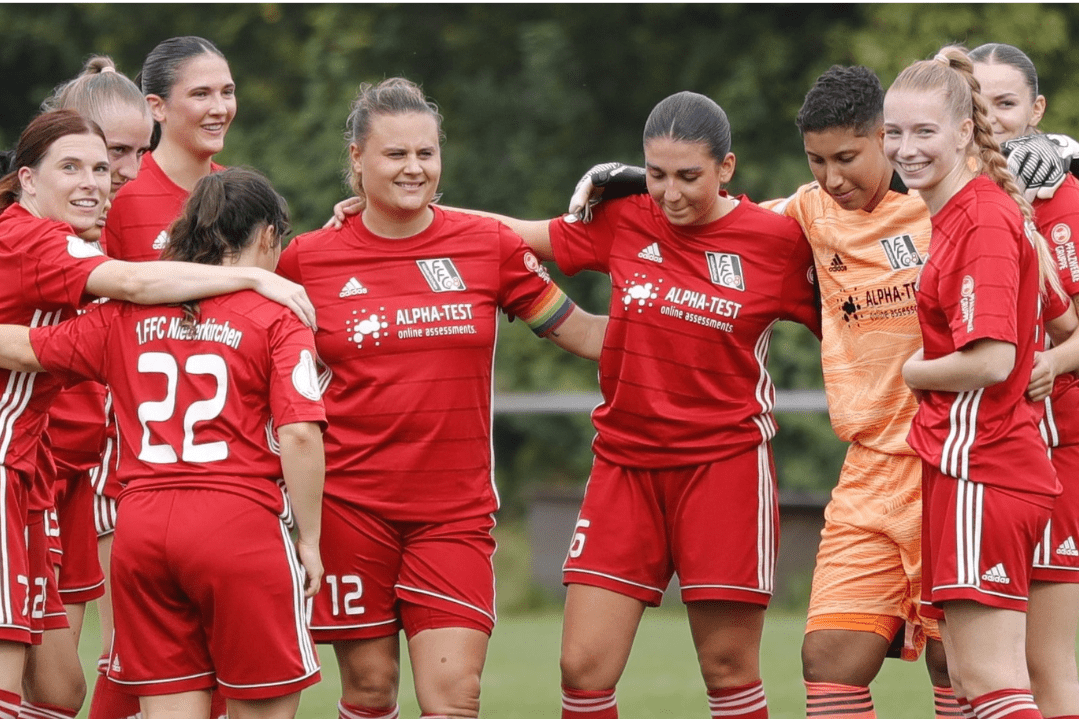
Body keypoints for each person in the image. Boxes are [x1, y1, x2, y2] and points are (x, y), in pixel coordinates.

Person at [451, 89, 820, 719]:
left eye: (688, 176)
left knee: (728, 670)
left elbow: (855, 323)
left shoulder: (777, 242)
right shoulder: (625, 217)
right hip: (624, 467)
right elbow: (512, 235)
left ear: (726, 167)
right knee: (583, 668)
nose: (670, 193)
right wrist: (411, 211)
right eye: (656, 175)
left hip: (724, 469)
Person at [277, 77, 607, 719]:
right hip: (349, 508)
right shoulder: (306, 261)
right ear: (357, 159)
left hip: (453, 515)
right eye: (395, 154)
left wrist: (686, 317)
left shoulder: (488, 245)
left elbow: (585, 334)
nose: (414, 168)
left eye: (426, 153)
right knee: (369, 691)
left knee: (454, 695)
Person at [0, 108, 313, 719]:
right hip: (236, 519)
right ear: (28, 178)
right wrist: (256, 281)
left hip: (119, 513)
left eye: (104, 167)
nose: (98, 181)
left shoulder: (115, 317)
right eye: (73, 167)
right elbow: (299, 432)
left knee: (61, 692)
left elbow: (32, 347)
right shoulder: (41, 240)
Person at [886, 45, 1064, 719]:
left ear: (964, 132)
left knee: (993, 680)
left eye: (923, 131)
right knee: (968, 679)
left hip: (982, 467)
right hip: (971, 467)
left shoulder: (981, 218)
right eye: (893, 132)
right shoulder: (966, 211)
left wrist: (911, 370)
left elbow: (991, 360)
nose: (904, 148)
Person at [91, 36, 236, 719]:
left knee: (216, 662)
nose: (218, 106)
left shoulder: (238, 196)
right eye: (200, 93)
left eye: (226, 91)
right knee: (127, 661)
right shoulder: (118, 200)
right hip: (128, 461)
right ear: (156, 107)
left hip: (222, 465)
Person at [15, 56, 156, 719]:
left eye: (137, 154)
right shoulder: (36, 230)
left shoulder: (117, 213)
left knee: (61, 686)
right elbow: (132, 289)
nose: (124, 172)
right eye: (111, 154)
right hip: (31, 464)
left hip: (72, 464)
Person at [970, 41, 1079, 719]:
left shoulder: (1067, 197)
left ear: (1036, 110)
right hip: (977, 452)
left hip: (1058, 445)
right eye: (977, 105)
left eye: (1005, 103)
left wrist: (1053, 363)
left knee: (1044, 662)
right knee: (972, 663)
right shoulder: (950, 195)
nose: (991, 119)